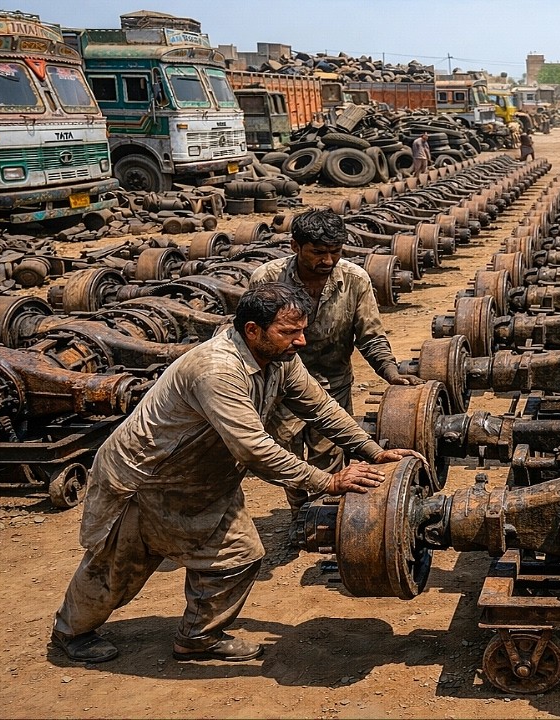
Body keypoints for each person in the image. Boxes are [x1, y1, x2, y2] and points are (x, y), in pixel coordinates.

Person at [51, 283, 409, 664]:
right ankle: (72, 632)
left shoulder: (280, 358)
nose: (301, 341)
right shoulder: (217, 369)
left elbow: (320, 407)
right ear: (252, 330)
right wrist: (327, 481)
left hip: (206, 478)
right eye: (290, 332)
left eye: (302, 330)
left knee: (238, 556)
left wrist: (372, 450)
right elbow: (253, 448)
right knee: (117, 566)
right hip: (150, 479)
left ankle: (198, 638)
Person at [249, 208, 415, 517]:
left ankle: (328, 516)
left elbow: (371, 335)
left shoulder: (355, 280)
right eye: (318, 252)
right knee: (287, 455)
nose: (327, 260)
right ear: (295, 247)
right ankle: (301, 514)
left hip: (331, 384)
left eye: (335, 252)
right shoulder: (268, 279)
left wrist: (391, 372)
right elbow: (254, 337)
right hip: (280, 387)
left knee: (329, 454)